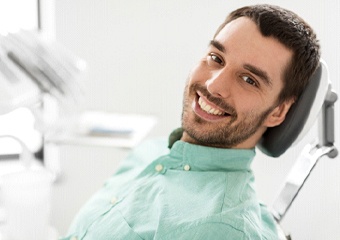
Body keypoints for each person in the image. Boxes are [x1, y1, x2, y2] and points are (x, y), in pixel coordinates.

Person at [61, 4, 320, 240]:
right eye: (216, 58)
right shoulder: (149, 152)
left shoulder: (223, 229)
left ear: (278, 112)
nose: (213, 84)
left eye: (249, 80)